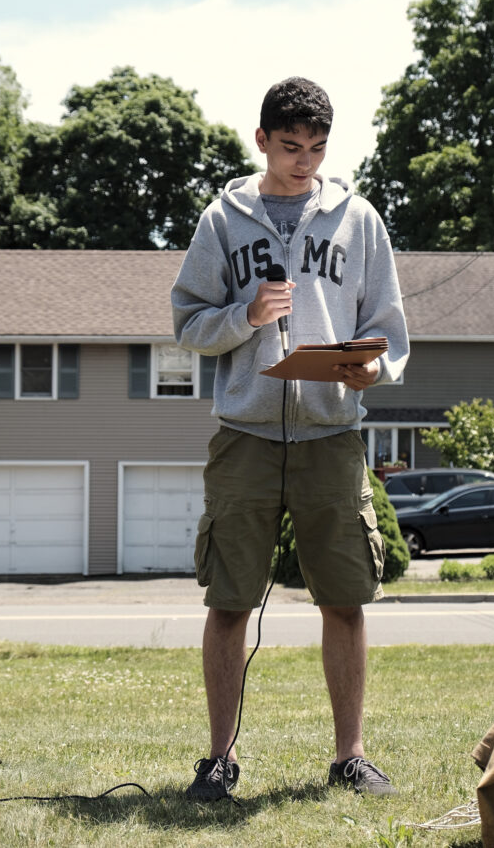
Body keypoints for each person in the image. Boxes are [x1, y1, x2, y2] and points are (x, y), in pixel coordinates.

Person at [171, 76, 409, 801]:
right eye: (289, 146)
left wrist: (375, 368)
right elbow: (187, 325)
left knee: (345, 598)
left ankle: (352, 757)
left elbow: (388, 329)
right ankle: (218, 761)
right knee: (230, 601)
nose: (303, 161)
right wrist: (243, 316)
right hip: (244, 433)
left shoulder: (358, 219)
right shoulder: (221, 220)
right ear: (262, 140)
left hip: (332, 433)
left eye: (316, 148)